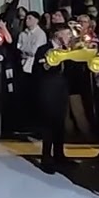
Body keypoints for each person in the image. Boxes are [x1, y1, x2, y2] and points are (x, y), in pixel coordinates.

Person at [34, 24, 74, 173]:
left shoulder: (68, 50)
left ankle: (59, 155)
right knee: (48, 124)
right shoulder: (44, 49)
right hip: (48, 91)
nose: (70, 37)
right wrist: (51, 60)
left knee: (60, 123)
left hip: (61, 90)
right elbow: (39, 69)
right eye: (67, 34)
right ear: (57, 35)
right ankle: (46, 158)